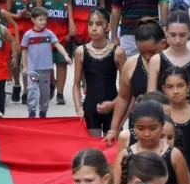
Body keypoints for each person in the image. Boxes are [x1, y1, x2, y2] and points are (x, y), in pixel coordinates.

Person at [73, 9, 124, 137]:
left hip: (113, 107)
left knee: (111, 149)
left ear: (108, 26)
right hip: (90, 108)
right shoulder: (81, 52)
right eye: (90, 24)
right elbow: (76, 84)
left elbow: (126, 88)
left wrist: (113, 104)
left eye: (98, 24)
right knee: (92, 151)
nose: (93, 28)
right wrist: (79, 109)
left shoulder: (118, 52)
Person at [19, 7, 63, 119]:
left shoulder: (49, 34)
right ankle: (31, 112)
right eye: (40, 19)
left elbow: (57, 44)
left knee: (45, 93)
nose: (43, 22)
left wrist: (66, 56)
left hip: (46, 68)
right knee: (32, 90)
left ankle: (43, 111)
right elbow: (24, 50)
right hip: (32, 68)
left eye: (45, 19)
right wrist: (25, 67)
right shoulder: (28, 35)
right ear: (33, 20)